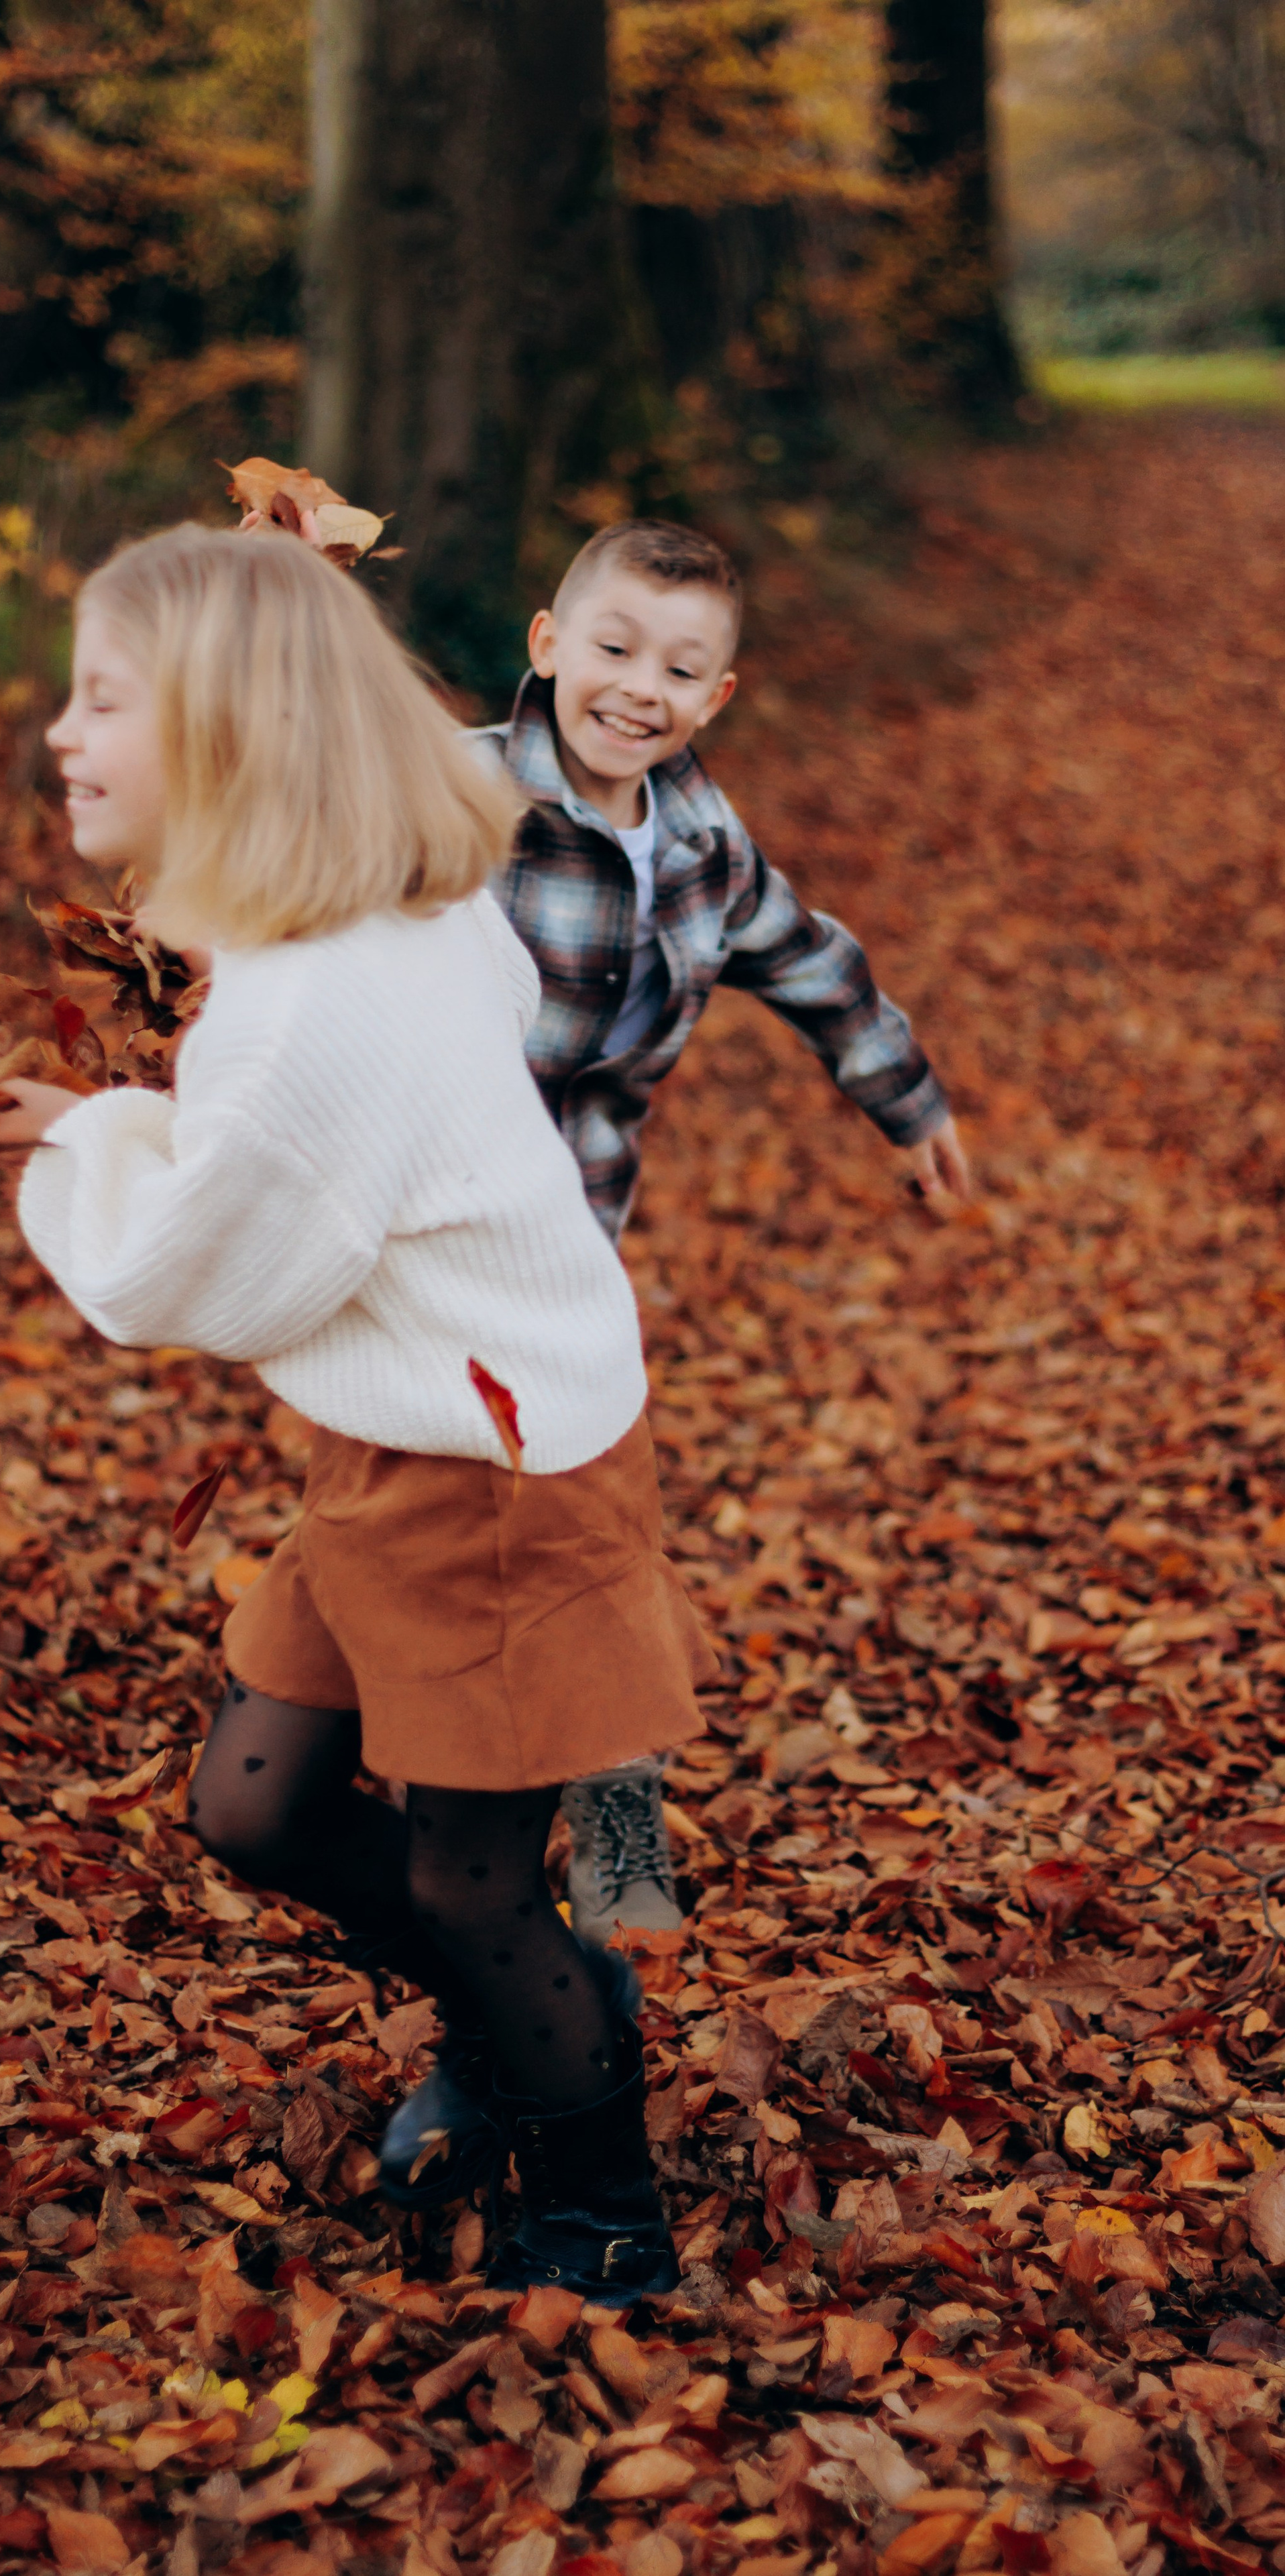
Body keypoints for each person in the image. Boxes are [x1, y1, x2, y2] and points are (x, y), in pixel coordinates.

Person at [0, 522, 716, 2298]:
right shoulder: (383, 915)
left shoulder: (313, 1000)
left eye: (103, 699)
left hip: (498, 1476)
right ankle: (534, 2001)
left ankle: (601, 2199)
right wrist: (102, 1122)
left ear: (225, 731)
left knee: (469, 1886)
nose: (62, 733)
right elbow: (305, 1172)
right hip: (415, 1436)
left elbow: (188, 1278)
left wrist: (83, 1160)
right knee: (258, 1804)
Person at [476, 519, 971, 1942]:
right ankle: (357, 1803)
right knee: (420, 1524)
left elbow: (807, 959)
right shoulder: (448, 796)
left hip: (570, 1251)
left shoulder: (699, 842)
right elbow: (299, 909)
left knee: (585, 1521)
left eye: (681, 669)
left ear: (718, 695)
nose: (641, 687)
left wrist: (904, 1100)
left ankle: (611, 1826)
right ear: (547, 645)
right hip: (413, 1241)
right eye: (614, 647)